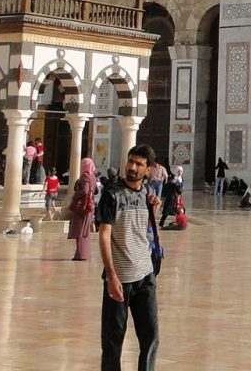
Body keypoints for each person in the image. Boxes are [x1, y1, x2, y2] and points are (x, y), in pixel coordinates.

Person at [97, 145, 161, 371]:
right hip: (120, 278)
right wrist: (111, 276)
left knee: (150, 337)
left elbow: (141, 231)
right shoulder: (111, 194)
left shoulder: (147, 193)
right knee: (113, 341)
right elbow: (104, 236)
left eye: (139, 164)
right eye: (130, 161)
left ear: (149, 169)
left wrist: (152, 212)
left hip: (145, 275)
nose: (132, 167)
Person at [69, 157, 98, 261]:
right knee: (85, 230)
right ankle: (82, 253)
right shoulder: (93, 176)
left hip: (83, 206)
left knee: (80, 230)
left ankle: (81, 254)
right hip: (90, 205)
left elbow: (85, 191)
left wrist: (75, 195)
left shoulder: (85, 176)